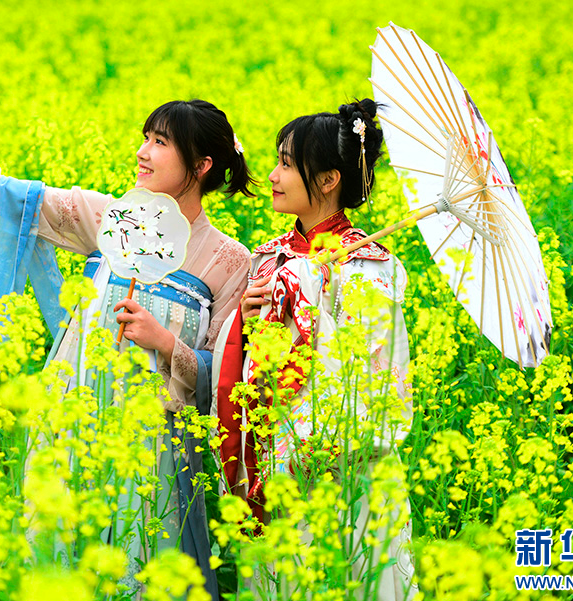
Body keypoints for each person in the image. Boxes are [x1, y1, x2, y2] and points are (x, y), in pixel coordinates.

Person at [0, 53, 254, 596]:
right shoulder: (110, 217)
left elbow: (225, 380)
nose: (142, 152)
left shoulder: (230, 260)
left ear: (201, 166)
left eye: (160, 142)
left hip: (155, 450)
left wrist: (165, 341)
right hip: (74, 425)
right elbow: (4, 196)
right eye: (145, 138)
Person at [214, 99, 418, 600]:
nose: (272, 176)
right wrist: (249, 315)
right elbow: (244, 360)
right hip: (272, 454)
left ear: (328, 180)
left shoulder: (370, 266)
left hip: (340, 460)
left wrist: (316, 292)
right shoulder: (268, 258)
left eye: (287, 164)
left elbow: (373, 368)